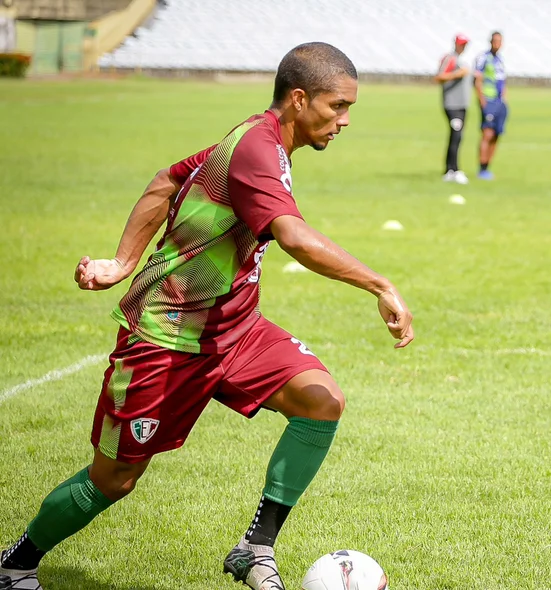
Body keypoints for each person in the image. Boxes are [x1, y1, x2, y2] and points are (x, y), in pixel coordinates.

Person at [0, 42, 415, 590]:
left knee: (321, 402)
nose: (343, 121)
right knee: (114, 479)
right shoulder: (257, 150)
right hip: (167, 337)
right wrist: (379, 283)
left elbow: (167, 179)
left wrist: (122, 261)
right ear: (298, 99)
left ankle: (255, 547)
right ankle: (16, 562)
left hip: (234, 329)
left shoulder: (257, 141)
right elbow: (292, 236)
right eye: (337, 106)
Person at [435, 33, 472, 185]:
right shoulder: (450, 59)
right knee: (456, 135)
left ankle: (450, 169)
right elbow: (439, 77)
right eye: (462, 43)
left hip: (462, 104)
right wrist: (457, 74)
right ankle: (453, 170)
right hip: (452, 105)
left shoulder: (462, 60)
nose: (464, 46)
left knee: (457, 136)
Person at [473, 31, 507, 180]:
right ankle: (481, 168)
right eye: (495, 41)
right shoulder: (483, 58)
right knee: (487, 133)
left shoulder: (500, 60)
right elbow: (478, 79)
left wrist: (504, 99)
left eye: (499, 41)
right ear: (490, 42)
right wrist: (482, 100)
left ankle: (488, 167)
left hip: (500, 103)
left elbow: (502, 81)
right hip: (488, 100)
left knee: (497, 135)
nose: (497, 44)